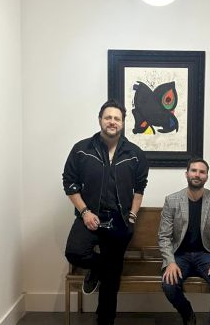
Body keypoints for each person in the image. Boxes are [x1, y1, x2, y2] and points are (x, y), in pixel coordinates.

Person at [62, 99, 149, 325]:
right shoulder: (82, 149)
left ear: (123, 123)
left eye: (117, 118)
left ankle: (105, 321)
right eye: (108, 117)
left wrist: (131, 217)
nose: (112, 122)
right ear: (100, 120)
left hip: (119, 221)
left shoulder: (135, 153)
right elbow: (69, 183)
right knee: (75, 253)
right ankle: (99, 268)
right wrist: (84, 212)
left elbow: (139, 189)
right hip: (89, 216)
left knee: (112, 280)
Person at [158, 158, 210, 325]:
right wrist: (169, 262)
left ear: (206, 176)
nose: (197, 174)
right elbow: (164, 236)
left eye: (202, 171)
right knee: (168, 284)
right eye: (194, 170)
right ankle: (187, 313)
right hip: (180, 255)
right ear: (187, 174)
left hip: (207, 255)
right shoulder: (172, 200)